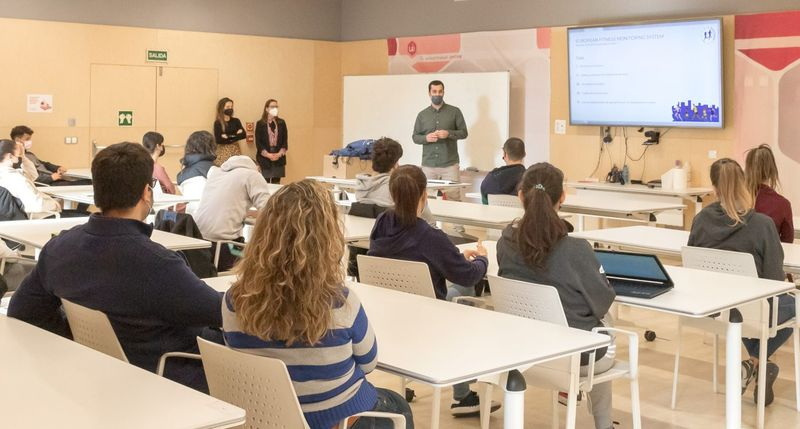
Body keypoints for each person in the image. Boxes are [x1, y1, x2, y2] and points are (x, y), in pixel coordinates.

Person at [7, 142, 224, 392]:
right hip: (171, 384)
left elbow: (23, 310)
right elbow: (224, 313)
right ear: (146, 193)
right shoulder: (158, 264)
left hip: (95, 381)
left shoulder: (59, 248)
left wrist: (76, 337)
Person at [223, 180, 414, 429]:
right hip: (337, 420)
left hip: (266, 417)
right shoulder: (341, 302)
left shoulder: (234, 300)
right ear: (328, 239)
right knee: (398, 405)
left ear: (263, 234)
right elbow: (369, 363)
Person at [367, 165, 498, 417]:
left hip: (388, 315)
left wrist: (453, 258)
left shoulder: (382, 223)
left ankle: (463, 387)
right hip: (427, 321)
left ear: (392, 194)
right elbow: (468, 274)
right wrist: (482, 259)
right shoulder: (428, 235)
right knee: (464, 289)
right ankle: (462, 390)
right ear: (424, 195)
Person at [496, 162, 617, 429]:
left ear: (520, 196)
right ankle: (604, 424)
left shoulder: (505, 242)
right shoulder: (577, 249)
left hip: (522, 351)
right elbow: (603, 300)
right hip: (575, 358)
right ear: (562, 197)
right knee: (604, 325)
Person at [688, 158, 792, 407]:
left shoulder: (700, 220)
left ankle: (753, 364)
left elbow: (691, 266)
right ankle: (755, 362)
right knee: (791, 307)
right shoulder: (762, 225)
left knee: (746, 311)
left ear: (714, 187)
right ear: (744, 184)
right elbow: (774, 280)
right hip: (750, 311)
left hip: (711, 309)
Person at [194, 155, 271, 271]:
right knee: (258, 259)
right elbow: (269, 210)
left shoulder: (216, 173)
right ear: (258, 168)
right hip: (226, 248)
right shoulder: (253, 175)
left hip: (199, 245)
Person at [412, 80, 468, 201]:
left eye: (440, 91)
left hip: (450, 165)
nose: (437, 94)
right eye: (434, 91)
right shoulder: (422, 115)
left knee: (454, 199)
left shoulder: (455, 111)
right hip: (429, 165)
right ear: (429, 93)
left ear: (443, 92)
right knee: (427, 200)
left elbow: (464, 133)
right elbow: (415, 137)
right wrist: (426, 138)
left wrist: (449, 133)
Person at [10, 125, 91, 186]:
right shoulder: (16, 159)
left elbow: (44, 164)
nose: (30, 141)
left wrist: (57, 168)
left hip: (54, 179)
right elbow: (29, 177)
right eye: (27, 139)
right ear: (17, 140)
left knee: (88, 182)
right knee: (87, 184)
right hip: (47, 184)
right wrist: (50, 178)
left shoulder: (29, 154)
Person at [745, 144, 793, 243]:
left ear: (747, 169)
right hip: (768, 252)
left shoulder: (735, 201)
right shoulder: (783, 204)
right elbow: (787, 242)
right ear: (772, 171)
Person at [0, 139, 61, 217]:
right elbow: (37, 205)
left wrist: (23, 156)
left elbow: (33, 175)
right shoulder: (17, 179)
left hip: (21, 217)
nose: (19, 155)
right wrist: (55, 205)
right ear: (10, 156)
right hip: (41, 217)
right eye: (18, 153)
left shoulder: (7, 173)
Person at [177, 131, 217, 214]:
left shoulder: (182, 173)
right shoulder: (213, 169)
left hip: (190, 217)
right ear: (211, 147)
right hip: (212, 215)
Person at [480, 137, 526, 204]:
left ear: (505, 154)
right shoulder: (531, 180)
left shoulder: (491, 178)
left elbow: (485, 203)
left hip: (494, 211)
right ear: (524, 154)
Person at [255, 99, 288, 184]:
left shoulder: (281, 122)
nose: (275, 109)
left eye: (276, 107)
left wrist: (279, 154)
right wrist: (268, 155)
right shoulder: (260, 123)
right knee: (264, 183)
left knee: (276, 183)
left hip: (278, 157)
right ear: (266, 109)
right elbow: (258, 143)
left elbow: (285, 141)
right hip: (264, 158)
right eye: (272, 107)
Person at [213, 97, 245, 166]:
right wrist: (236, 135)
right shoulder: (218, 123)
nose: (230, 108)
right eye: (228, 107)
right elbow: (219, 140)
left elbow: (243, 135)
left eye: (231, 107)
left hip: (235, 150)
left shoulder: (236, 121)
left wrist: (227, 136)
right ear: (222, 108)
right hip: (223, 152)